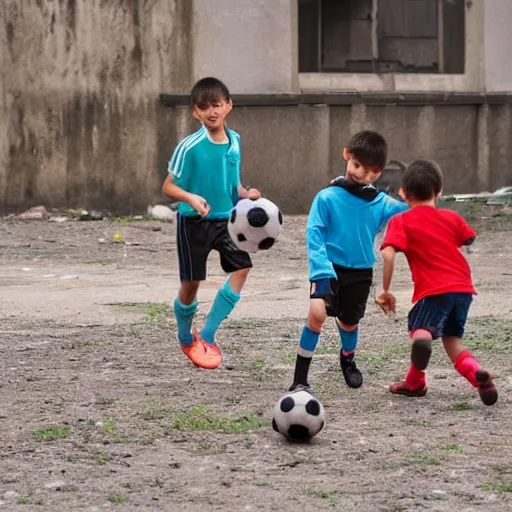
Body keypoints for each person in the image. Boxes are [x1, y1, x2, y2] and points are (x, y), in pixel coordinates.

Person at [289, 131, 409, 392]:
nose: (360, 174)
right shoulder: (326, 197)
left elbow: (412, 210)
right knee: (316, 316)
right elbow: (315, 234)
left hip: (360, 272)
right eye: (356, 165)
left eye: (368, 171)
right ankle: (300, 379)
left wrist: (422, 194)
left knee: (349, 323)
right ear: (346, 155)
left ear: (377, 173)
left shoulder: (379, 202)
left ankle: (347, 359)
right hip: (327, 270)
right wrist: (321, 270)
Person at [376, 160, 498, 405]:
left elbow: (388, 253)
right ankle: (478, 376)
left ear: (403, 193)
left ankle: (416, 378)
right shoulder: (451, 217)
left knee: (420, 328)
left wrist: (386, 289)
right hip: (463, 288)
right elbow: (469, 238)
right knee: (452, 341)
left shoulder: (402, 221)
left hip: (435, 290)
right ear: (439, 191)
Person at [161, 77, 260, 370]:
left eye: (216, 105)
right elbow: (168, 186)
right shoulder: (189, 147)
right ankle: (184, 334)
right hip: (193, 222)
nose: (211, 112)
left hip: (226, 220)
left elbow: (234, 184)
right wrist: (190, 198)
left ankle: (207, 333)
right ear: (195, 112)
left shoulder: (235, 141)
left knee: (243, 267)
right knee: (192, 284)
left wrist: (245, 194)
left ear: (228, 106)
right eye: (204, 107)